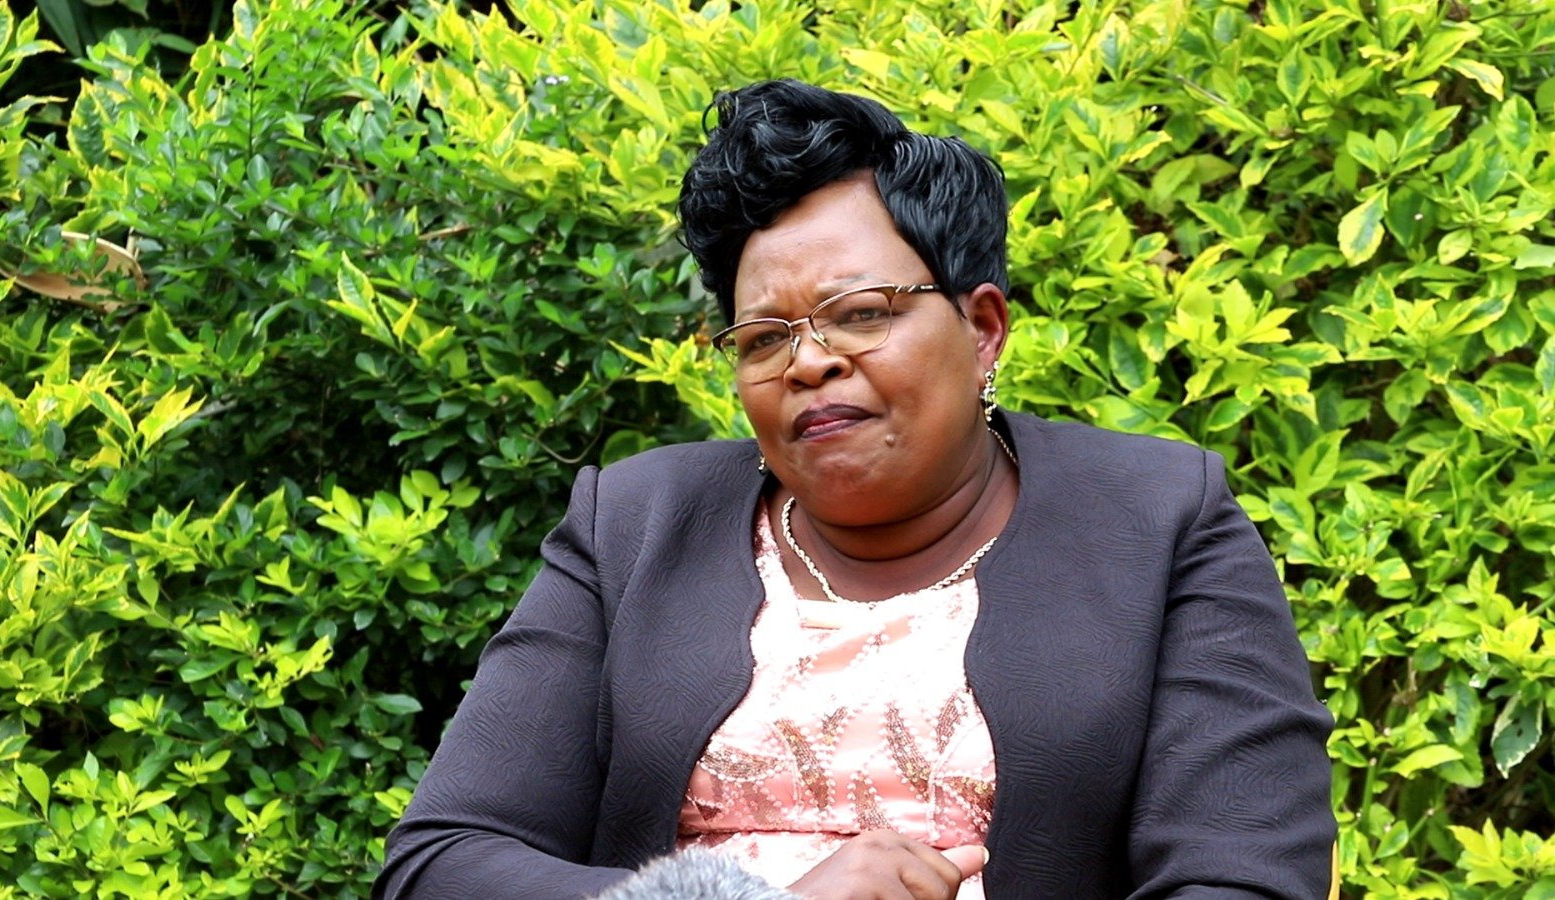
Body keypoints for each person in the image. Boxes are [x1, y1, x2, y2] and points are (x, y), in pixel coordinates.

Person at [375, 79, 1335, 899]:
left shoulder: (1159, 520)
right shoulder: (632, 525)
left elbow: (1242, 870)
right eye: (763, 338)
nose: (809, 364)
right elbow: (443, 862)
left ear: (984, 327)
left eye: (860, 314)